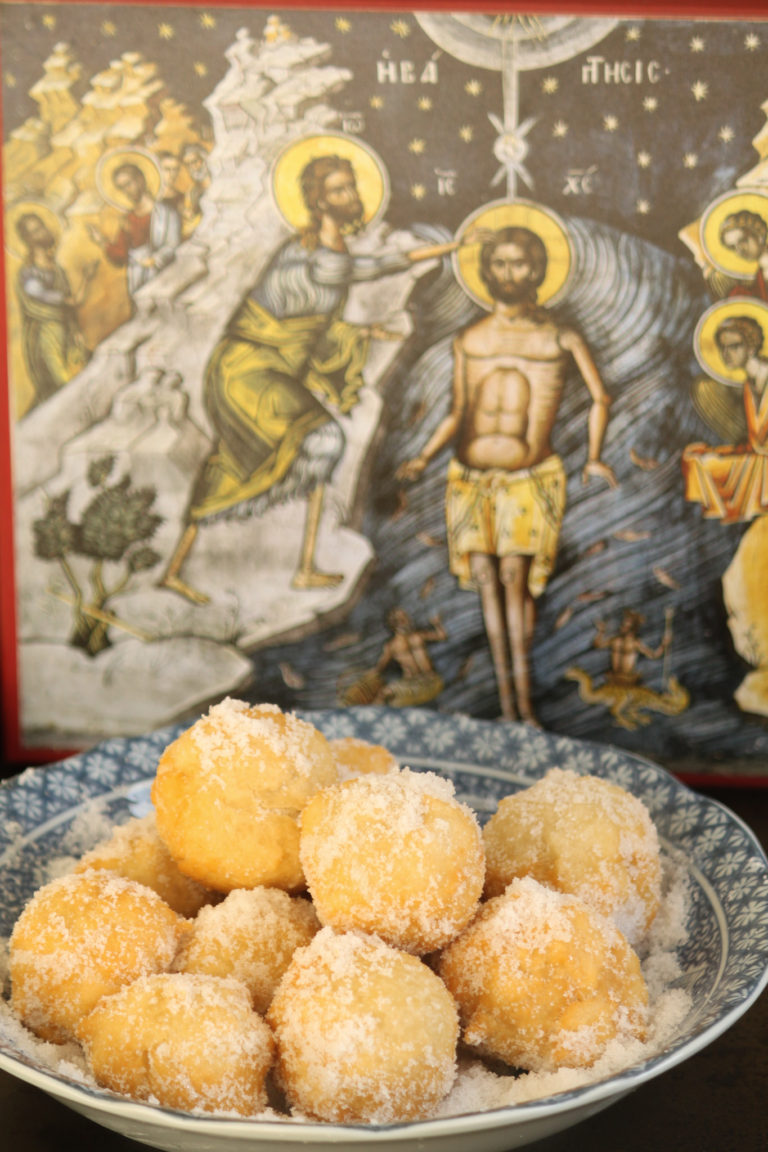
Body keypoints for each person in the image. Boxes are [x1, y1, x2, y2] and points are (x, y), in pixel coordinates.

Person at [160, 153, 483, 603]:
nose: (351, 196)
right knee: (316, 438)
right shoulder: (317, 256)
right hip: (245, 371)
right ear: (318, 201)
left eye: (351, 187)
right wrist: (452, 248)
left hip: (262, 367)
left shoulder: (314, 248)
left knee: (257, 456)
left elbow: (305, 323)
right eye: (338, 190)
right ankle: (202, 569)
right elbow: (378, 268)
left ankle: (301, 566)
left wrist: (364, 331)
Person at [398, 225, 617, 724]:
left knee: (515, 579)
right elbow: (458, 411)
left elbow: (600, 398)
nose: (508, 273)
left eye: (519, 263)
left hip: (527, 478)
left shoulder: (558, 335)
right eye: (499, 263)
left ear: (538, 270)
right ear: (485, 271)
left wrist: (594, 456)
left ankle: (525, 706)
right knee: (484, 579)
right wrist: (424, 456)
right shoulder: (469, 338)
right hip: (470, 479)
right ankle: (505, 705)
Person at [683, 313, 768, 521]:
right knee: (696, 459)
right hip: (758, 460)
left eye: (734, 346)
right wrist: (723, 453)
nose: (726, 353)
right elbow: (756, 440)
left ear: (751, 346)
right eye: (723, 347)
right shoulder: (749, 386)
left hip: (764, 465)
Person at [14, 212, 96, 408]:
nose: (42, 232)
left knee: (82, 374)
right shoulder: (28, 274)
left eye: (41, 226)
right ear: (27, 240)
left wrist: (76, 330)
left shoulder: (56, 268)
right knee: (65, 386)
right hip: (47, 337)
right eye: (34, 231)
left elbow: (68, 309)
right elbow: (70, 301)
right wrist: (86, 278)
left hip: (66, 333)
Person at [89, 159, 182, 298]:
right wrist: (101, 241)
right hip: (140, 282)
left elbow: (173, 245)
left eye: (128, 184)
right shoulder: (129, 220)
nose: (126, 191)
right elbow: (120, 255)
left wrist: (155, 260)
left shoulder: (166, 212)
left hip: (169, 275)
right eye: (122, 187)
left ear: (140, 180)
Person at [719, 209, 768, 300]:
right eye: (733, 247)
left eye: (743, 241)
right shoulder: (759, 278)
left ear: (759, 234)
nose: (740, 250)